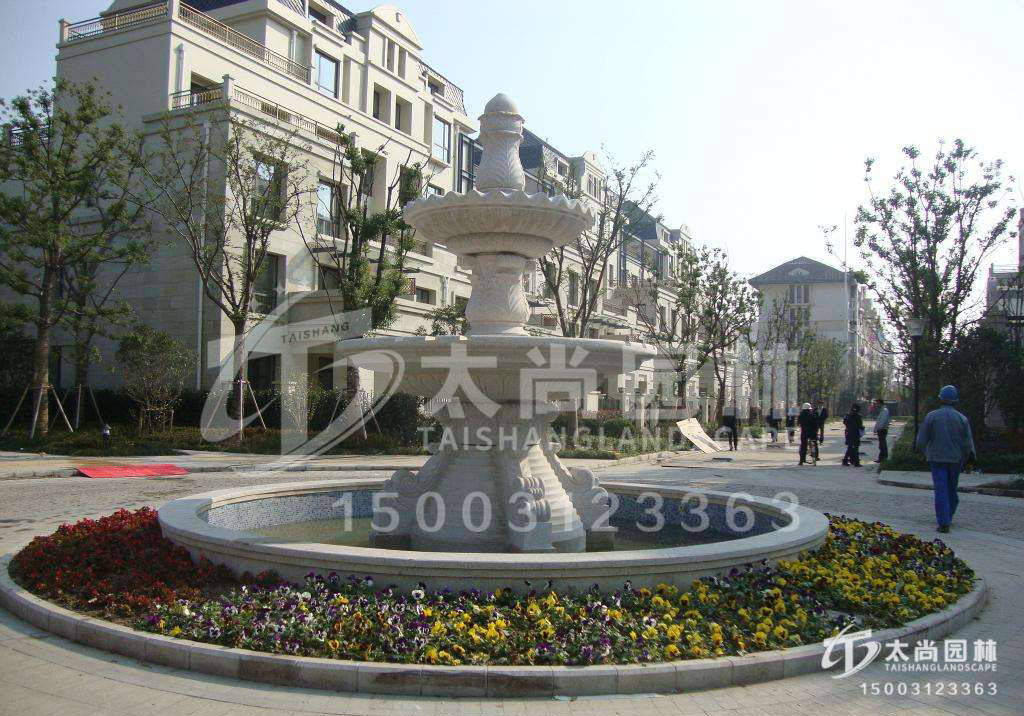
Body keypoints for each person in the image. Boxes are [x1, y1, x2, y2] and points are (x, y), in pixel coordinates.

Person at [916, 385, 976, 534]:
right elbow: (968, 442)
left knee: (941, 489)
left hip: (936, 458)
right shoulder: (962, 418)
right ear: (955, 401)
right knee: (951, 488)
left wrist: (920, 451)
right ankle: (949, 514)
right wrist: (970, 459)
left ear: (941, 399)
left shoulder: (932, 416)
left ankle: (944, 522)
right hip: (955, 459)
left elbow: (922, 439)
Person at [873, 398, 891, 463]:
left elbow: (883, 421)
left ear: (880, 403)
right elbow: (879, 421)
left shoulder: (884, 411)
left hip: (882, 429)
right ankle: (881, 458)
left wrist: (878, 428)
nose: (876, 405)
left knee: (882, 445)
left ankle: (883, 458)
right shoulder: (882, 410)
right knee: (882, 444)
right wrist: (876, 428)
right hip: (881, 429)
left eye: (877, 403)